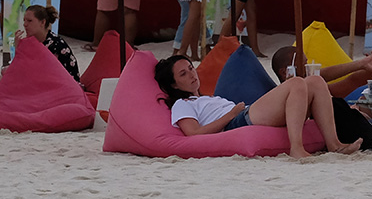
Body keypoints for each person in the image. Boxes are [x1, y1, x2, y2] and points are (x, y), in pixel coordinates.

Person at [154, 52, 359, 158]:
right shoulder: (183, 103)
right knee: (296, 83)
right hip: (237, 121)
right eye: (183, 73)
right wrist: (230, 114)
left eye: (191, 68)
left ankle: (335, 145)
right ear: (173, 84)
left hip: (244, 113)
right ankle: (297, 148)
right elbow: (193, 134)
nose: (192, 74)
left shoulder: (208, 98)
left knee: (316, 81)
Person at [19, 4, 80, 82]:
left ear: (42, 22)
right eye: (24, 20)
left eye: (30, 21)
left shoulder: (55, 45)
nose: (25, 24)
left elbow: (34, 71)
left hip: (63, 86)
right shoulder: (34, 40)